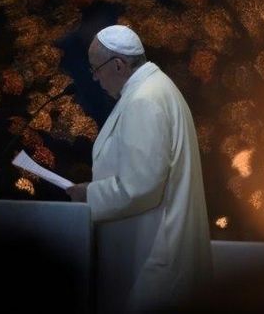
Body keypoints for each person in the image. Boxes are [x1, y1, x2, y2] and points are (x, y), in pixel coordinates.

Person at [66, 25, 213, 313]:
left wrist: (89, 195)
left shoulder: (145, 99)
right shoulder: (157, 89)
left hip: (154, 260)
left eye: (96, 69)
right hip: (155, 252)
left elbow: (141, 186)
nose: (95, 78)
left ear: (118, 65)